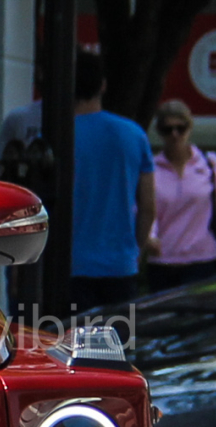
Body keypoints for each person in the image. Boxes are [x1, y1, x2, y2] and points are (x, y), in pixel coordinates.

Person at [67, 50, 157, 309]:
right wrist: (136, 251)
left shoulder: (56, 135)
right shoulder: (133, 134)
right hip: (120, 264)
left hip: (70, 267)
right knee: (118, 346)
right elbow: (148, 207)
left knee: (71, 346)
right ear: (103, 85)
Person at [146, 98, 216, 291]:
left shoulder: (208, 163)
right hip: (163, 260)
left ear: (189, 128)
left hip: (202, 259)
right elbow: (146, 209)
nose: (175, 135)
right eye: (168, 130)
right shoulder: (151, 168)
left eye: (180, 128)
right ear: (159, 132)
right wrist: (150, 236)